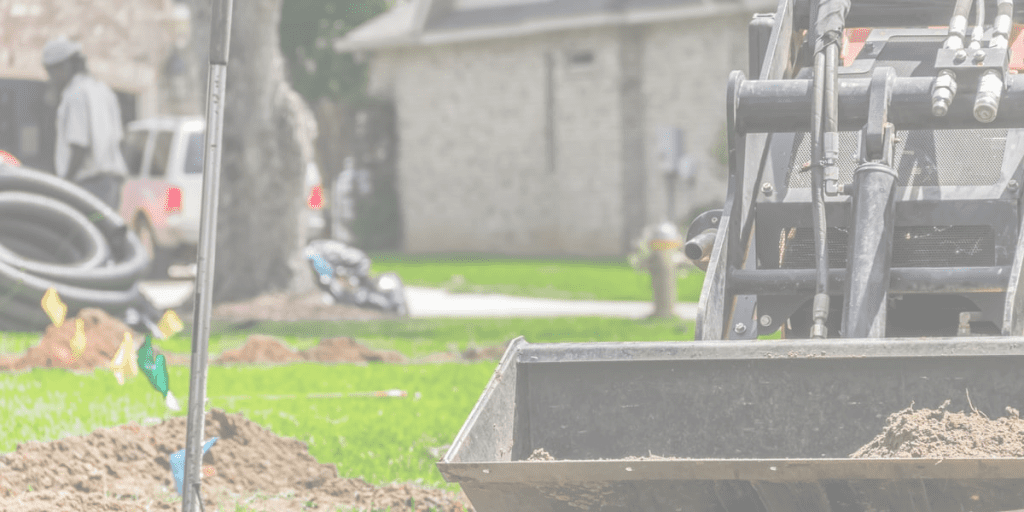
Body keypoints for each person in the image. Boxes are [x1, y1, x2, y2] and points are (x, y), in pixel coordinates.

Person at [42, 36, 129, 209]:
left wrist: (65, 185)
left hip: (89, 187)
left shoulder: (75, 94)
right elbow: (118, 139)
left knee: (84, 230)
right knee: (104, 229)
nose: (51, 78)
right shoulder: (102, 90)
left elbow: (79, 145)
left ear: (64, 66)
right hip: (110, 187)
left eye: (52, 71)